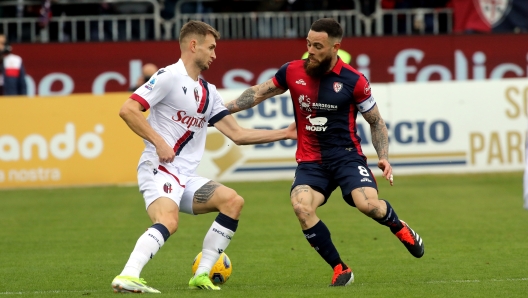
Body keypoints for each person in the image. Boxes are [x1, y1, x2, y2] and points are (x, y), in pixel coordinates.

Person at [225, 18, 424, 286]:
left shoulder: (355, 81)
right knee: (301, 207)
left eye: (318, 46)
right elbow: (258, 93)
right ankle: (341, 268)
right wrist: (221, 109)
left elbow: (376, 121)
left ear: (335, 47)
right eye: (308, 44)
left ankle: (399, 227)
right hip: (311, 163)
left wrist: (384, 156)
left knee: (369, 206)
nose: (311, 51)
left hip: (347, 158)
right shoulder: (292, 71)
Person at [112, 20, 296, 293]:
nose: (215, 54)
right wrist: (159, 142)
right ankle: (127, 276)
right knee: (168, 222)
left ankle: (201, 274)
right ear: (193, 45)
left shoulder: (208, 92)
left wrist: (286, 132)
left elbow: (237, 135)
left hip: (185, 177)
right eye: (211, 47)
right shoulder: (168, 76)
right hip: (159, 168)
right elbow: (127, 109)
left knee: (232, 201)